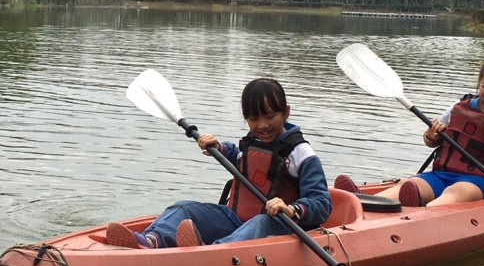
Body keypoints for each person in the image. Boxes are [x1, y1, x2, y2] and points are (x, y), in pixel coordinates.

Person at [106, 78, 333, 248]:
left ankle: (213, 252)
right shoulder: (253, 141)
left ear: (286, 112)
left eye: (270, 117)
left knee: (260, 222)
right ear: (246, 118)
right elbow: (241, 159)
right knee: (184, 207)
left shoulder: (301, 153)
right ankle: (151, 241)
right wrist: (220, 148)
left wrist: (292, 208)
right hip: (235, 219)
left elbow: (322, 202)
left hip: (278, 227)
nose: (262, 125)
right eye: (254, 119)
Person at [373, 55, 484, 215]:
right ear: (479, 85)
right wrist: (431, 136)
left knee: (458, 192)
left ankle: (418, 215)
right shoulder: (459, 108)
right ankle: (360, 202)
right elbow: (431, 142)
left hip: (482, 183)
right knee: (408, 186)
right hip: (441, 175)